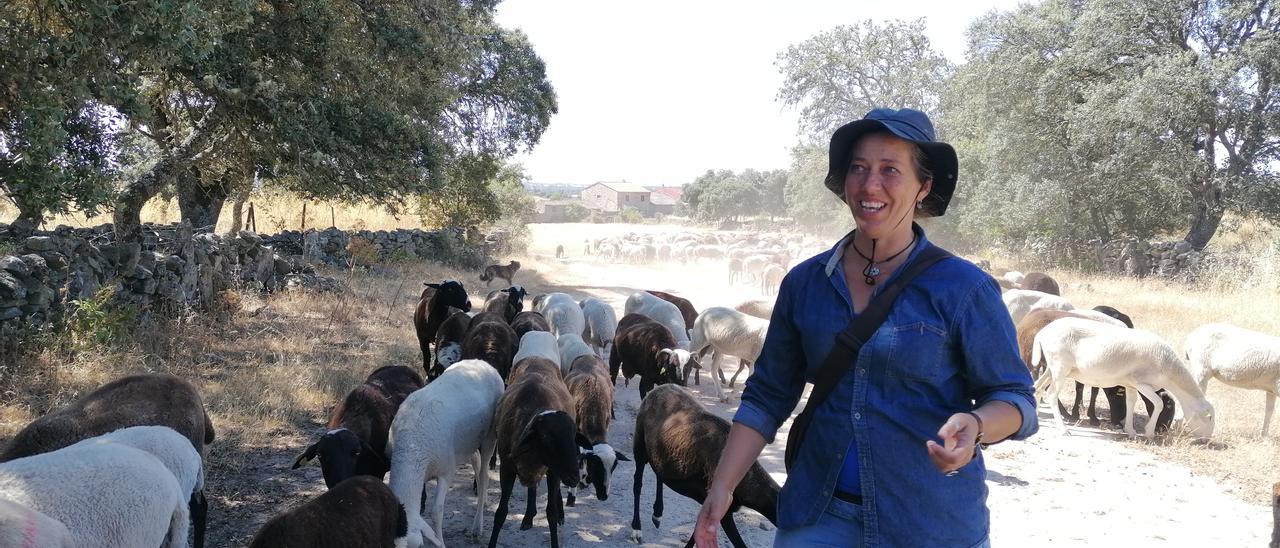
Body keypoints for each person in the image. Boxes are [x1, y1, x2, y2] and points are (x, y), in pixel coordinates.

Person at [693, 108, 1038, 547]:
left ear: (923, 187)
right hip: (816, 517)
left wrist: (975, 424)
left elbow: (1014, 397)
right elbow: (768, 394)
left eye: (890, 170)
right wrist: (722, 487)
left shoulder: (964, 289)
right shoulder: (805, 283)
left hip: (928, 523)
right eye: (859, 168)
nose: (870, 184)